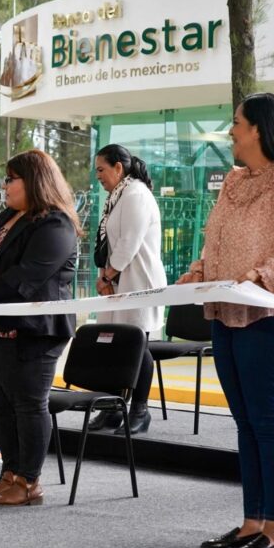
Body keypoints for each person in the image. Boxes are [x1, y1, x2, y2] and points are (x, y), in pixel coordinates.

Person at [178, 93, 274, 548]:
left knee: (266, 422)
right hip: (224, 315)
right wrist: (200, 271)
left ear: (258, 128)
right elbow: (217, 242)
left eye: (236, 122)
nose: (231, 130)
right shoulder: (233, 183)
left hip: (266, 319)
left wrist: (261, 277)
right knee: (244, 424)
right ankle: (252, 523)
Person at [0, 149, 80, 506]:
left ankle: (29, 482)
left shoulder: (55, 223)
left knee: (28, 404)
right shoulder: (8, 216)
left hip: (30, 331)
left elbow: (28, 274)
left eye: (11, 179)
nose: (5, 186)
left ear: (34, 181)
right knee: (2, 406)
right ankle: (10, 475)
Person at [89, 144, 166, 435]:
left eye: (101, 169)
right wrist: (105, 276)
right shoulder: (117, 197)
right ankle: (112, 409)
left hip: (138, 282)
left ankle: (140, 411)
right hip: (118, 282)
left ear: (119, 168)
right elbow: (108, 242)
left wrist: (107, 276)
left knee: (137, 346)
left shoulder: (136, 195)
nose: (97, 176)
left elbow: (129, 244)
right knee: (115, 346)